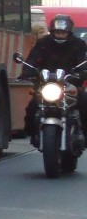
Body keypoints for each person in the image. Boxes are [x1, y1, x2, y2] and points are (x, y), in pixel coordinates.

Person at [20, 13, 87, 146]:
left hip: (70, 83)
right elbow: (32, 59)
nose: (60, 35)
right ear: (52, 31)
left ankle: (85, 135)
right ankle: (33, 134)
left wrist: (82, 72)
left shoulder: (78, 44)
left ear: (69, 32)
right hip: (46, 84)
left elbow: (84, 61)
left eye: (63, 32)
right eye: (57, 32)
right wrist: (28, 71)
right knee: (32, 106)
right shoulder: (43, 43)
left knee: (84, 102)